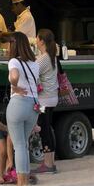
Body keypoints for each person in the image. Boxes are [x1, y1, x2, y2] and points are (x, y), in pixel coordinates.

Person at [5, 31, 40, 186]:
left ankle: (20, 183)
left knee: (18, 145)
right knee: (23, 145)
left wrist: (14, 84)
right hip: (33, 105)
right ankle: (26, 181)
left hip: (18, 103)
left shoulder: (14, 61)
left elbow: (14, 76)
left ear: (14, 45)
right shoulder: (35, 63)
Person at [33, 29, 59, 175]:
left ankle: (48, 163)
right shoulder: (51, 56)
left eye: (37, 38)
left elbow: (32, 73)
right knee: (47, 128)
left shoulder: (43, 58)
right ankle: (50, 162)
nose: (36, 41)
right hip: (51, 97)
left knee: (44, 129)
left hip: (44, 100)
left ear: (42, 41)